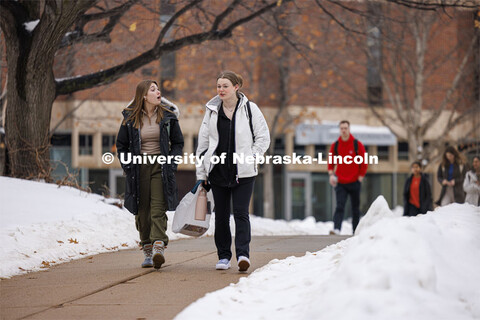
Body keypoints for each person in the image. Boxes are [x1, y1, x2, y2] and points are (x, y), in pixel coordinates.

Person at [196, 71, 270, 272]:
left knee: (240, 213)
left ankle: (243, 254)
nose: (221, 89)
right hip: (217, 171)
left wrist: (252, 157)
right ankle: (224, 256)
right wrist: (201, 173)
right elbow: (203, 144)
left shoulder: (250, 109)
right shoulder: (211, 110)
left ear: (236, 87)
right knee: (221, 215)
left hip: (244, 173)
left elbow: (263, 137)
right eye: (218, 86)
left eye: (225, 86)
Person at [116, 80, 184, 269]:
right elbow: (121, 146)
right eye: (152, 90)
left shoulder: (168, 116)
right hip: (138, 168)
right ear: (144, 95)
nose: (158, 92)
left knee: (157, 207)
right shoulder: (130, 118)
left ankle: (158, 246)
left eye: (158, 89)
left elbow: (178, 143)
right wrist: (128, 165)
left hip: (161, 167)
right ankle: (147, 248)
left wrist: (172, 162)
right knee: (142, 209)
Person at [328, 120, 368, 235]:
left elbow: (364, 162)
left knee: (355, 208)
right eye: (342, 128)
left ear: (349, 129)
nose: (344, 130)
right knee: (339, 206)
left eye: (346, 128)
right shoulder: (335, 145)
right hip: (340, 182)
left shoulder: (357, 144)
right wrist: (331, 174)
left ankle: (355, 231)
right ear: (339, 130)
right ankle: (336, 229)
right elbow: (331, 162)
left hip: (355, 181)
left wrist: (361, 176)